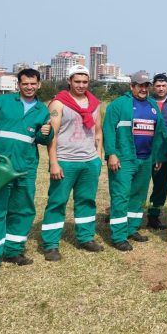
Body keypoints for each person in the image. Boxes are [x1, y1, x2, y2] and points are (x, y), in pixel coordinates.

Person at [0, 68, 54, 280]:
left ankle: (14, 251)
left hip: (25, 169)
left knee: (23, 210)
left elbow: (42, 140)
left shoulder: (42, 110)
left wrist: (47, 133)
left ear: (39, 85)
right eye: (25, 83)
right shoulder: (2, 103)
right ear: (18, 84)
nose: (29, 87)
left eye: (33, 83)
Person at [41, 65, 104, 261]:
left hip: (89, 161)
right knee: (57, 203)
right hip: (65, 162)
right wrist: (54, 163)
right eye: (77, 81)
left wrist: (98, 158)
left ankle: (85, 238)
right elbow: (52, 135)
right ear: (69, 81)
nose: (81, 85)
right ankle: (51, 245)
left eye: (85, 82)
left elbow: (98, 133)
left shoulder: (94, 104)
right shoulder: (59, 104)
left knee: (87, 201)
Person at [102, 72, 166, 251]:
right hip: (124, 159)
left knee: (138, 196)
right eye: (140, 85)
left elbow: (160, 132)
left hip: (146, 159)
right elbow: (108, 130)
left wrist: (158, 155)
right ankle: (118, 236)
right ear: (132, 86)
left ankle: (132, 228)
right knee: (121, 196)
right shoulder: (119, 105)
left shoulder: (153, 105)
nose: (144, 88)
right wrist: (111, 154)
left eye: (146, 85)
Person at [146, 73, 167, 230]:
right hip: (145, 149)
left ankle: (154, 216)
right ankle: (127, 213)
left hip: (165, 150)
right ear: (153, 86)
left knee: (160, 185)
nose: (160, 88)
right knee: (138, 183)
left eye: (163, 85)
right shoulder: (146, 101)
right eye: (157, 86)